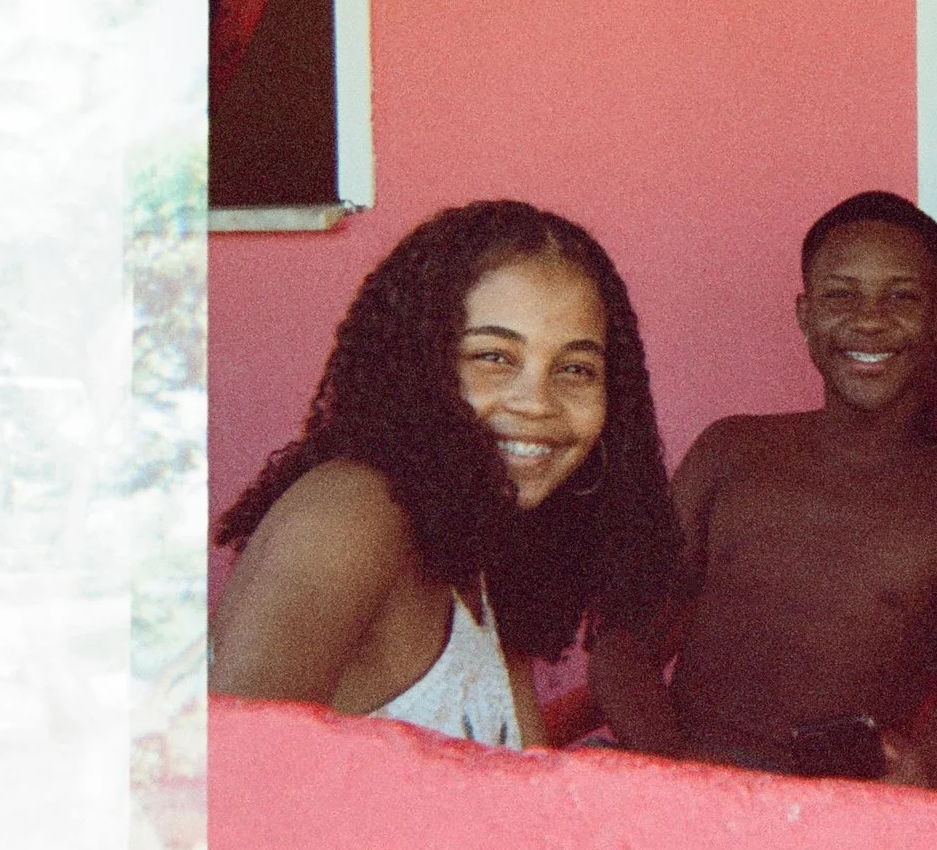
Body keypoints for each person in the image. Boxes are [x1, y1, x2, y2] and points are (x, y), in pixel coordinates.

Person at [589, 193, 937, 787]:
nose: (870, 320)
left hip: (844, 797)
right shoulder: (731, 450)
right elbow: (625, 634)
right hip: (678, 771)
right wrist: (673, 765)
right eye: (840, 295)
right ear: (805, 315)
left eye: (901, 297)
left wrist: (924, 769)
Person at [209, 200, 680, 748]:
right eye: (493, 357)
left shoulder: (478, 541)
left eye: (575, 368)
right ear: (416, 365)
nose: (537, 403)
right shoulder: (351, 513)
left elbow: (522, 777)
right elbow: (227, 774)